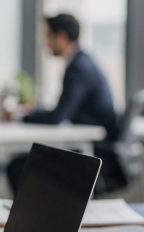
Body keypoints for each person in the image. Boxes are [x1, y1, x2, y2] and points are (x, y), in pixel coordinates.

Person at [6, 13, 119, 193]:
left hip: (93, 156)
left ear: (62, 37)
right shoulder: (83, 61)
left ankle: (36, 219)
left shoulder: (78, 68)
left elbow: (58, 116)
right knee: (22, 163)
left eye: (48, 36)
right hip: (96, 151)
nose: (46, 43)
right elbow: (64, 111)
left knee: (19, 167)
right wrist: (33, 111)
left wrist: (22, 115)